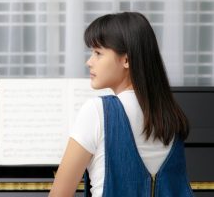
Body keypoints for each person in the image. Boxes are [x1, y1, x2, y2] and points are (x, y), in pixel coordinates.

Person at [49, 12, 194, 197]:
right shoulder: (172, 116)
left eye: (98, 53)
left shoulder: (98, 111)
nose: (89, 62)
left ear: (126, 60)